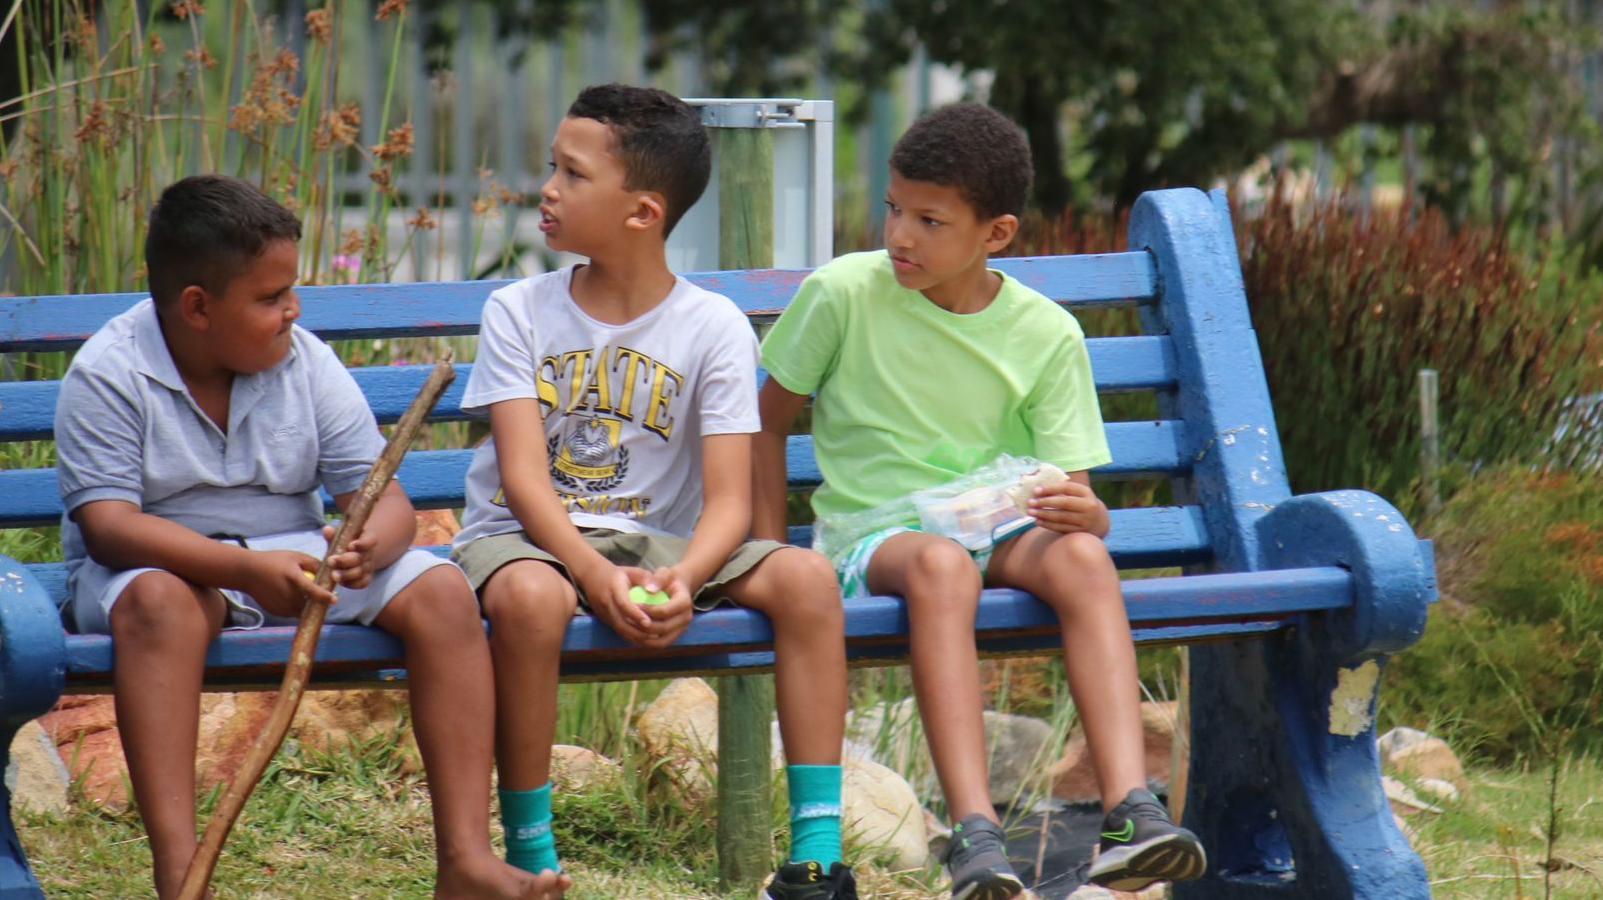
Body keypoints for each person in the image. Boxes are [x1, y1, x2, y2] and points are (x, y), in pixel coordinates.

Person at [56, 174, 566, 900]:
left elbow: (381, 496)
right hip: (158, 569)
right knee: (162, 607)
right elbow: (109, 529)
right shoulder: (109, 373)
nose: (292, 309)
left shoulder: (304, 360)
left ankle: (465, 858)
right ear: (197, 307)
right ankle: (180, 875)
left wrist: (371, 546)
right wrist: (239, 570)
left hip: (299, 560)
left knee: (443, 590)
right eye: (270, 298)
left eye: (291, 290)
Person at [753, 103, 1207, 899]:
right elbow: (759, 429)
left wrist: (1088, 516)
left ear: (995, 234)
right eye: (894, 208)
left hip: (994, 528)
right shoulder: (843, 295)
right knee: (940, 566)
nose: (900, 236)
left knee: (1082, 556)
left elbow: (1078, 495)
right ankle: (974, 837)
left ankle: (1131, 810)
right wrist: (766, 556)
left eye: (930, 220)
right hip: (875, 538)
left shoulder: (1045, 332)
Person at [450, 84, 858, 900]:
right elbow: (526, 483)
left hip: (661, 546)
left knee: (808, 579)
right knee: (532, 602)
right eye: (553, 168)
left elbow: (732, 504)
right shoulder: (517, 312)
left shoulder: (711, 326)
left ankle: (816, 855)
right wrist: (591, 575)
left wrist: (684, 577)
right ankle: (531, 854)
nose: (549, 188)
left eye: (572, 172)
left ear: (642, 212)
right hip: (528, 538)